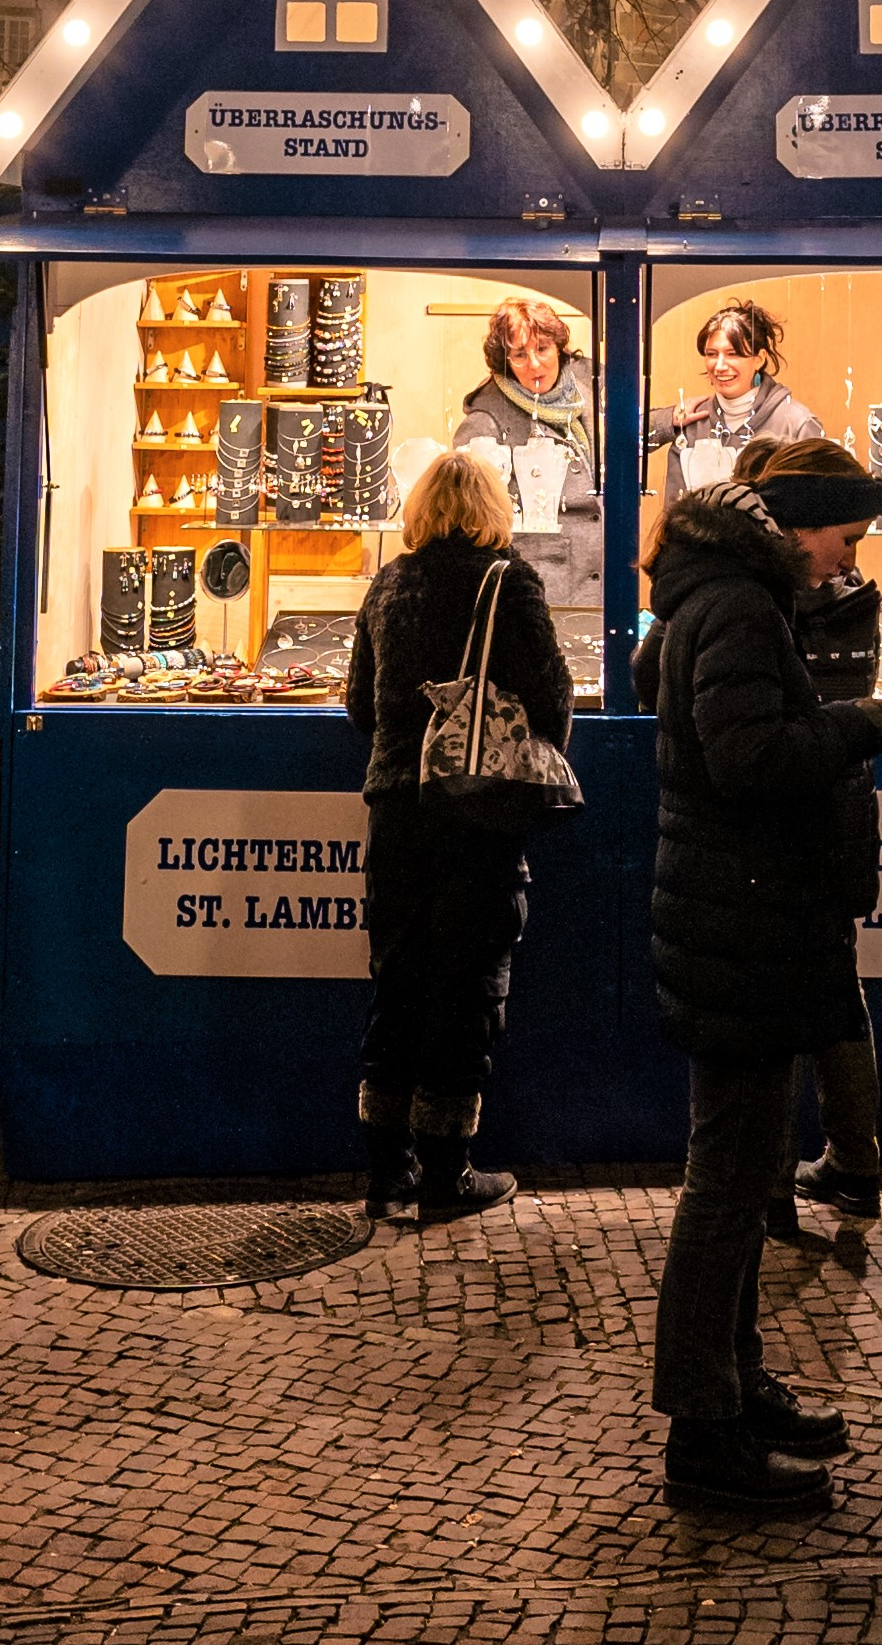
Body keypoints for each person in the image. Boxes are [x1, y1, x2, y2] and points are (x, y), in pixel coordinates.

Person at [642, 464, 882, 1509]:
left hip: (739, 923)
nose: (848, 560)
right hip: (741, 929)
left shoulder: (715, 600)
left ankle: (734, 1383)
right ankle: (702, 1432)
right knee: (724, 1186)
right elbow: (747, 759)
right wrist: (866, 725)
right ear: (794, 532)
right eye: (842, 541)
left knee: (737, 1165)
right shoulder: (734, 608)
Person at [341, 450, 572, 1222]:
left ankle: (385, 1173)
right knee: (468, 984)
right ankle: (447, 1171)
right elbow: (550, 699)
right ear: (492, 508)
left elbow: (359, 706)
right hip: (478, 812)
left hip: (398, 809)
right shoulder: (509, 582)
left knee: (398, 977)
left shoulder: (390, 582)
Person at [733, 438, 882, 1242]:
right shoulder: (857, 603)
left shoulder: (773, 604)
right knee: (835, 993)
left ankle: (773, 1185)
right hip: (843, 816)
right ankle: (856, 1164)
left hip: (790, 827)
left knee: (781, 1007)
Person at [449, 296, 600, 613]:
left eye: (542, 349)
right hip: (545, 585)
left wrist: (673, 421)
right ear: (504, 361)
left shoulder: (590, 386)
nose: (534, 363)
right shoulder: (484, 421)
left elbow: (628, 428)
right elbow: (469, 516)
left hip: (605, 573)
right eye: (519, 354)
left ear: (558, 346)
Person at [651, 298, 822, 495]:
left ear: (759, 359)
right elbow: (674, 509)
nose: (720, 366)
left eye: (733, 354)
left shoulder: (797, 423)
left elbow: (813, 507)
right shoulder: (692, 424)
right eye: (712, 354)